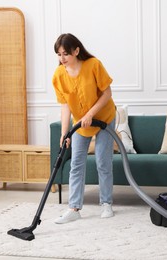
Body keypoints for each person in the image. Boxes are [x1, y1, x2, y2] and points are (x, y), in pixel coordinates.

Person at [52, 33, 116, 224]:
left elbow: (107, 93)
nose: (62, 59)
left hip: (104, 118)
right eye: (58, 54)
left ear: (76, 51)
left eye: (65, 54)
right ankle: (74, 208)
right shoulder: (58, 76)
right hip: (80, 124)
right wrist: (65, 133)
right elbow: (65, 105)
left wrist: (90, 114)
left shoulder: (93, 65)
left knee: (103, 162)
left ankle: (106, 204)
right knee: (76, 164)